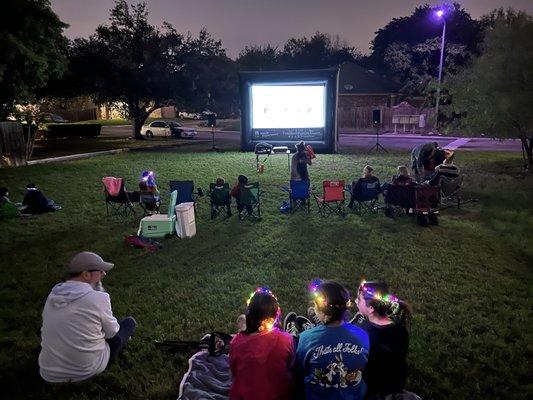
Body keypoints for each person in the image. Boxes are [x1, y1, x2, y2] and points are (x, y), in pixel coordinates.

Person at [39, 252, 136, 383]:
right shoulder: (98, 298)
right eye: (100, 271)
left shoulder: (53, 295)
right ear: (86, 274)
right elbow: (112, 332)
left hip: (48, 372)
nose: (104, 274)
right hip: (85, 370)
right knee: (129, 323)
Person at [295, 280, 369, 400]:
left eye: (315, 306)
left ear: (322, 311)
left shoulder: (306, 338)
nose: (314, 308)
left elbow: (299, 370)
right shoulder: (362, 335)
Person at [229, 287, 294, 400]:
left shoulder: (236, 343)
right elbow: (291, 366)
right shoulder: (286, 340)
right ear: (274, 317)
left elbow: (234, 371)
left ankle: (245, 326)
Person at [354, 281, 411, 399]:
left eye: (359, 300)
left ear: (370, 308)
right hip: (395, 385)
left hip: (372, 390)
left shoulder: (363, 333)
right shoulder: (400, 328)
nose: (355, 301)